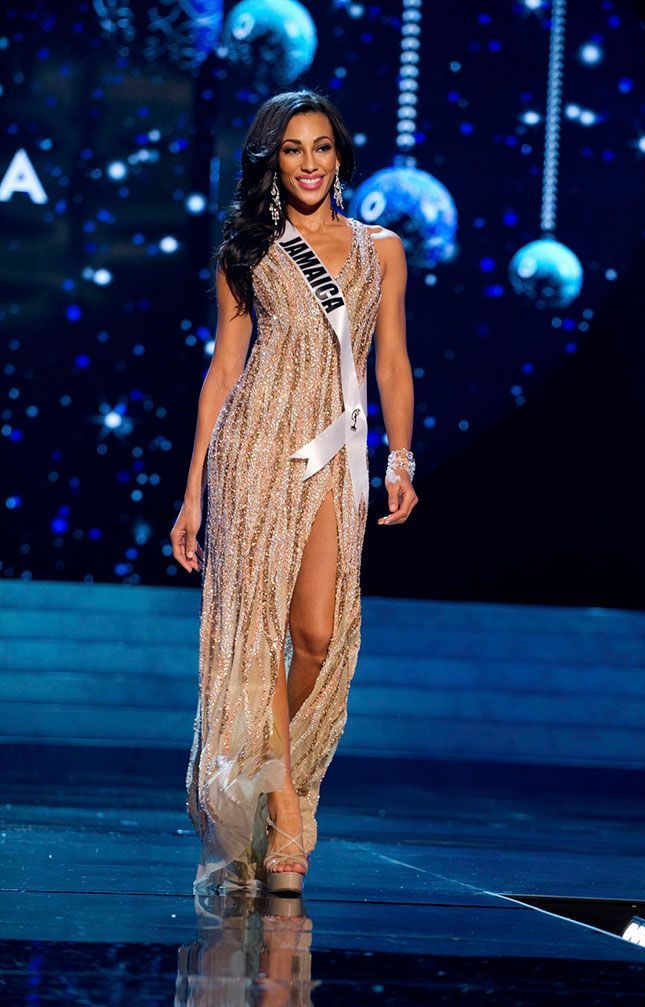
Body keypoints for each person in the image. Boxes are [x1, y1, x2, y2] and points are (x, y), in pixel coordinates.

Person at [171, 89, 418, 897]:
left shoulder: (382, 248)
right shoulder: (249, 246)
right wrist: (192, 494)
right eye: (291, 150)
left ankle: (260, 771)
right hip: (255, 450)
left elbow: (391, 364)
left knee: (315, 636)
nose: (309, 163)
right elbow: (224, 369)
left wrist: (401, 458)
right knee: (257, 634)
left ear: (341, 156)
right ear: (271, 161)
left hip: (337, 451)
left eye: (321, 148)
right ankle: (281, 804)